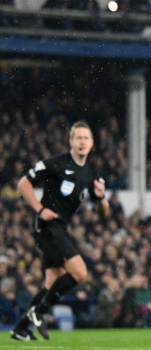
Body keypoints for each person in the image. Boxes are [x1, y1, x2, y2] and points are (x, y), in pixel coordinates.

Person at [11, 121, 109, 341]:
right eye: (78, 138)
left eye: (86, 138)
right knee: (80, 272)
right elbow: (23, 183)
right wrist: (39, 208)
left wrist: (102, 198)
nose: (82, 142)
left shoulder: (92, 174)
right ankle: (40, 313)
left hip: (60, 228)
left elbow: (103, 212)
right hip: (46, 226)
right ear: (71, 142)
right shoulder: (56, 164)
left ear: (92, 143)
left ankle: (21, 329)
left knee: (51, 284)